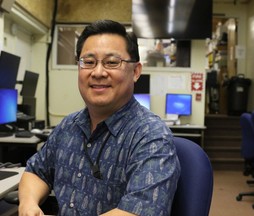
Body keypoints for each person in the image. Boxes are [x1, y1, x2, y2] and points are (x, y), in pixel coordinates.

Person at [18, 19, 180, 216]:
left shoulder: (151, 136)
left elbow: (140, 211)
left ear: (136, 71)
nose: (98, 72)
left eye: (112, 62)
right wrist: (28, 205)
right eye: (88, 62)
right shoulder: (69, 125)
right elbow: (36, 171)